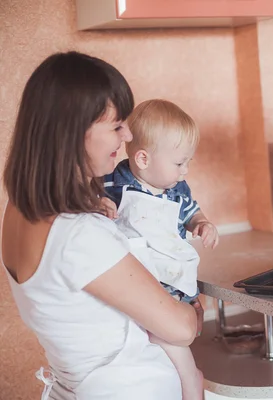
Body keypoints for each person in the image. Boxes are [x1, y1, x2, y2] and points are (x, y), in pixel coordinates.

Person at [1, 51, 201, 400]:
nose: (127, 136)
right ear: (75, 131)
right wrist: (194, 312)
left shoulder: (18, 207)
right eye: (116, 125)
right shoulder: (75, 234)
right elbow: (181, 329)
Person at [102, 99, 219, 400]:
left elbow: (193, 213)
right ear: (142, 158)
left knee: (175, 336)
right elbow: (89, 202)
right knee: (161, 340)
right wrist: (98, 204)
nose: (186, 171)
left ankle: (190, 381)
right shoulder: (114, 184)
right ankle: (190, 378)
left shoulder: (178, 191)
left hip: (173, 277)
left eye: (188, 162)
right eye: (180, 163)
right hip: (140, 281)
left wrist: (202, 223)